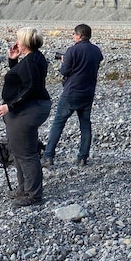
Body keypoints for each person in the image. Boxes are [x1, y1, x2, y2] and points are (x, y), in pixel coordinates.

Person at [0, 27, 52, 207]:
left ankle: (33, 195)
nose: (16, 42)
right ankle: (24, 189)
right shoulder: (34, 58)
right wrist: (13, 61)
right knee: (19, 149)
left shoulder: (32, 62)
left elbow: (31, 87)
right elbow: (21, 80)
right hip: (30, 107)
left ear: (25, 42)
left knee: (26, 153)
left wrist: (10, 106)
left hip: (29, 109)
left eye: (18, 39)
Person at [42, 24, 104, 166]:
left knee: (58, 123)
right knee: (85, 125)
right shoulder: (96, 51)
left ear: (80, 35)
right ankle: (82, 157)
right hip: (88, 93)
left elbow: (64, 72)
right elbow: (97, 61)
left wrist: (64, 61)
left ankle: (48, 156)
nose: (73, 36)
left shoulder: (72, 50)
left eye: (74, 34)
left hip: (71, 93)